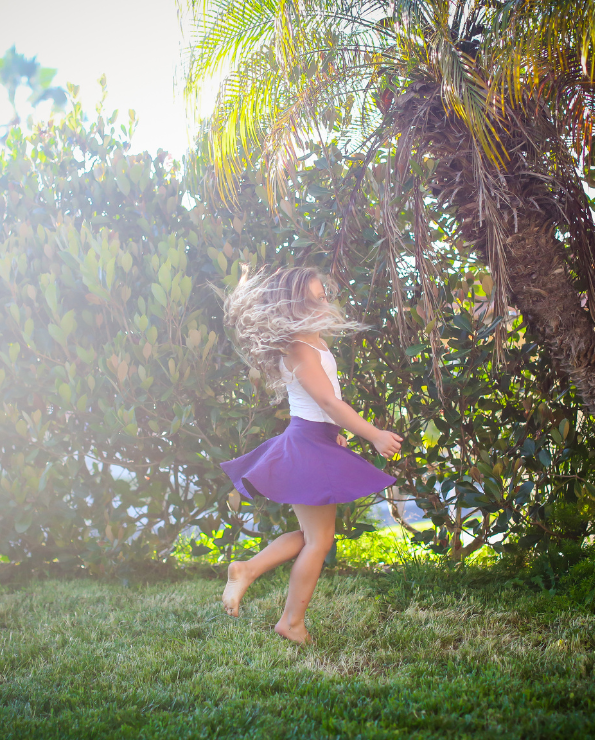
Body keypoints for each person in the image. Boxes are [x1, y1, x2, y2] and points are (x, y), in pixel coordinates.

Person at [218, 264, 403, 644]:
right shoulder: (300, 349)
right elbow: (328, 402)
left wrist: (334, 435)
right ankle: (290, 622)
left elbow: (323, 407)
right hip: (306, 444)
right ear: (290, 307)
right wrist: (374, 435)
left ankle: (247, 570)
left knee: (313, 535)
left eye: (323, 296)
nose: (323, 304)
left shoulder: (313, 342)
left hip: (316, 439)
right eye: (312, 300)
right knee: (319, 540)